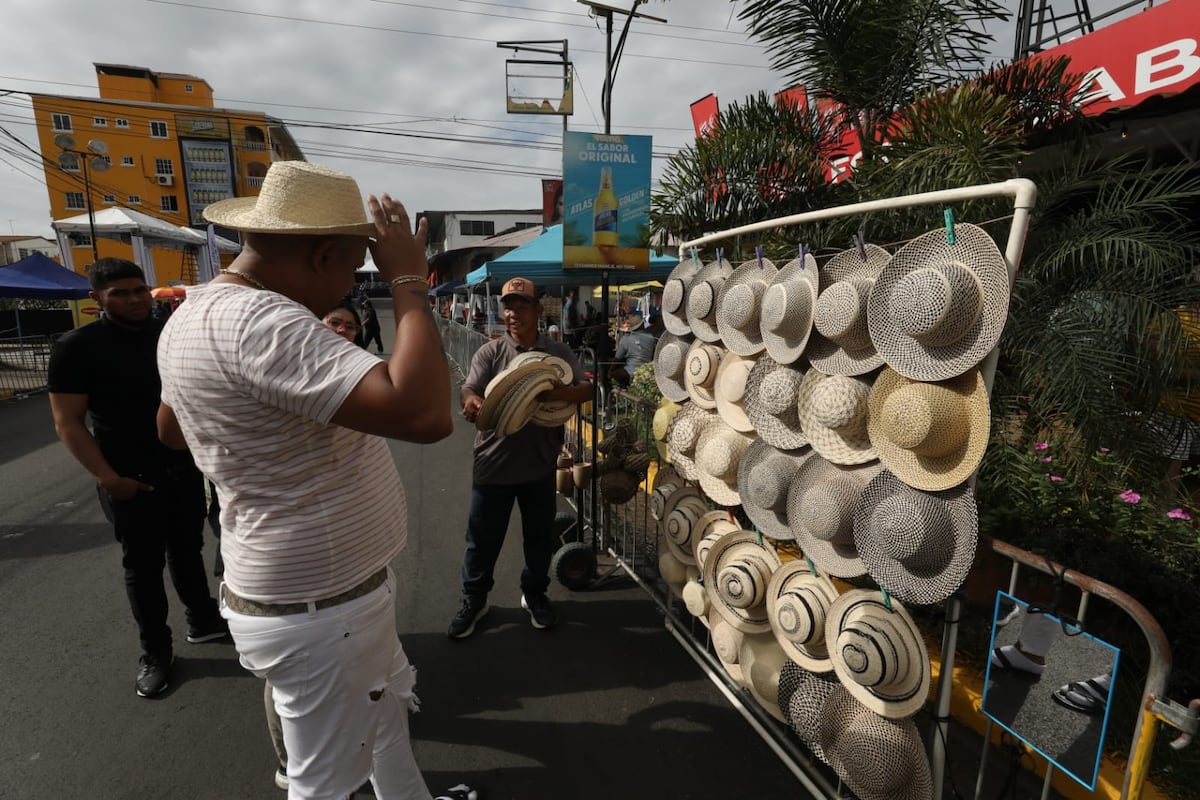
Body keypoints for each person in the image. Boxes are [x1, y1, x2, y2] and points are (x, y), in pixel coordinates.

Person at [155, 161, 474, 800]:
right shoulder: (266, 324)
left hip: (316, 594)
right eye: (355, 269)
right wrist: (409, 279)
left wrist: (257, 449)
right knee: (324, 783)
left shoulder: (193, 314)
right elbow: (424, 413)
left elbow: (169, 427)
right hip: (322, 606)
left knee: (383, 725)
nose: (353, 288)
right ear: (325, 253)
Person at [47, 258, 227, 699]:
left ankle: (202, 621)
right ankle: (156, 653)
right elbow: (68, 423)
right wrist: (110, 479)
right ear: (97, 300)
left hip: (182, 469)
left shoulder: (168, 331)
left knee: (187, 551)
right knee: (143, 568)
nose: (133, 300)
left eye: (138, 290)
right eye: (120, 294)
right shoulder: (77, 347)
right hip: (128, 476)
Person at [452, 276, 592, 639]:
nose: (513, 313)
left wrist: (561, 392)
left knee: (538, 538)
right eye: (508, 305)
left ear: (537, 309)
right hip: (493, 464)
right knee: (482, 539)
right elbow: (470, 387)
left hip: (539, 465)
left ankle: (534, 595)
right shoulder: (491, 352)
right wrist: (471, 401)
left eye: (521, 305)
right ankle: (475, 599)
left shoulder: (557, 353)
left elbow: (586, 387)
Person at [610, 309, 664, 386]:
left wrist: (610, 371)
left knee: (611, 375)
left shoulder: (626, 339)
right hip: (646, 370)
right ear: (642, 325)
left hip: (630, 371)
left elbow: (617, 359)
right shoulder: (651, 337)